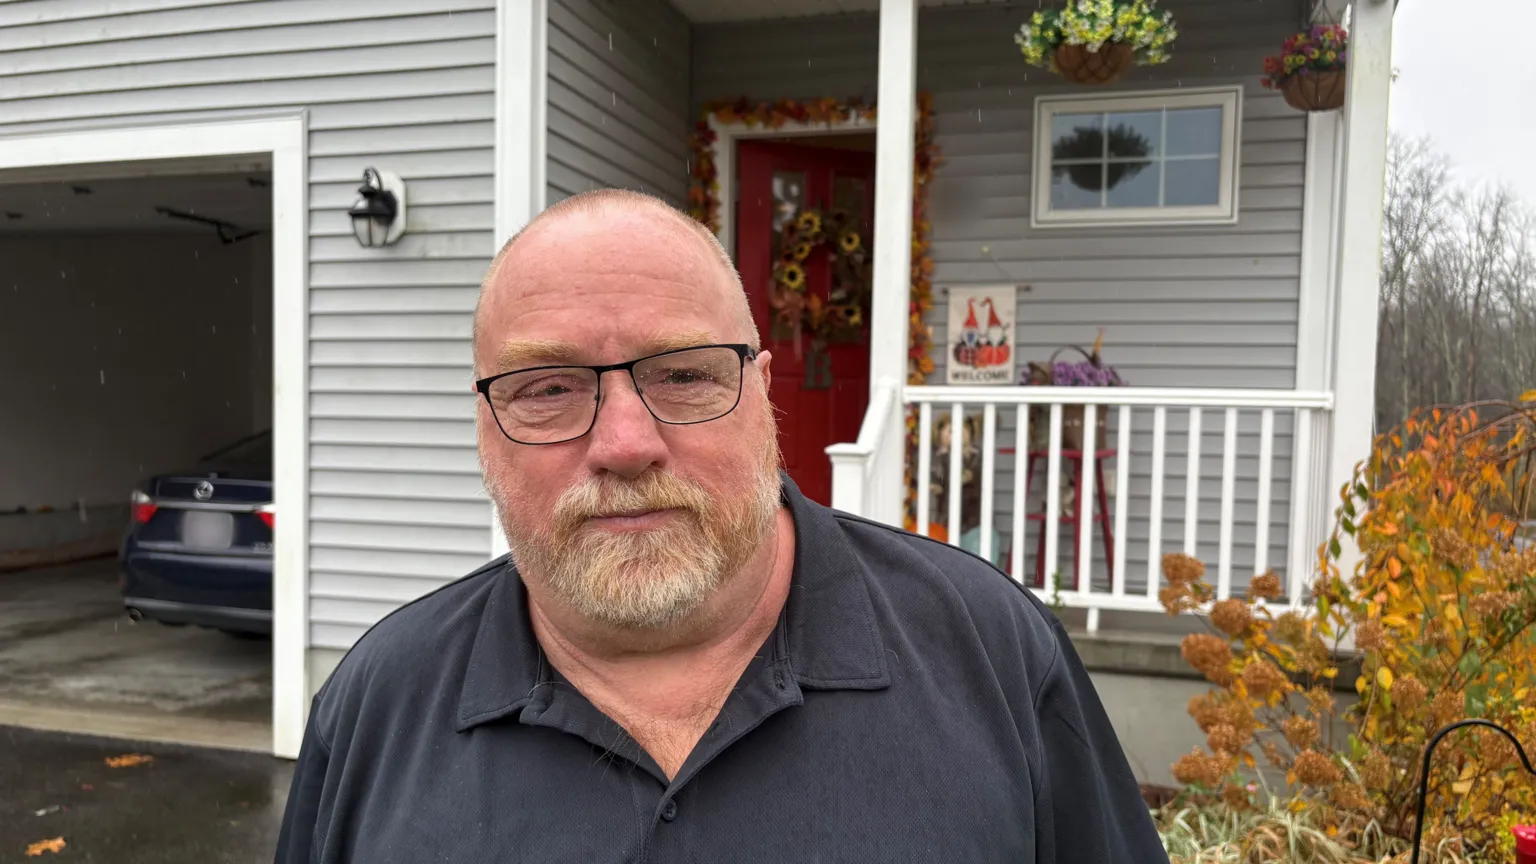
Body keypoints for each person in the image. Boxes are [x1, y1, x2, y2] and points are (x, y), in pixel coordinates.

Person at [275, 188, 1166, 863]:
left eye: (686, 376)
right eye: (547, 389)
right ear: (485, 431)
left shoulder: (990, 651)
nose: (625, 444)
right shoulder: (374, 709)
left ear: (765, 396)